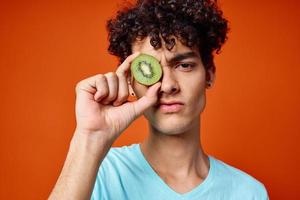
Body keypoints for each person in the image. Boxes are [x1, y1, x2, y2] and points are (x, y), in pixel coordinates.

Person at [49, 0, 269, 199]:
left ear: (209, 74)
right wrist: (89, 138)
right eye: (150, 69)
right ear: (130, 81)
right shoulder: (95, 171)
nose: (168, 85)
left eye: (184, 65)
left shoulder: (248, 193)